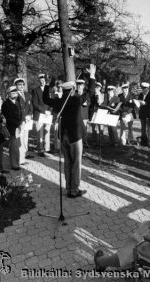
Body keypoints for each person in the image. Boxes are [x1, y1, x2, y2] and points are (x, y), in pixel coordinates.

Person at [42, 63, 96, 198]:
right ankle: (74, 190)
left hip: (63, 136)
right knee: (76, 163)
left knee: (67, 163)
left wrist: (48, 85)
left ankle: (68, 188)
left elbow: (45, 99)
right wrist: (92, 76)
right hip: (75, 137)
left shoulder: (60, 101)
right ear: (72, 90)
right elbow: (90, 91)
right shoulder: (76, 100)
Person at [1, 86, 26, 170]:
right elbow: (9, 117)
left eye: (16, 92)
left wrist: (22, 122)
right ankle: (14, 164)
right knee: (14, 147)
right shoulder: (6, 104)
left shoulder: (17, 102)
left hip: (19, 126)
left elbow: (21, 113)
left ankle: (17, 162)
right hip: (12, 128)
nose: (15, 94)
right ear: (8, 94)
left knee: (18, 145)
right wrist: (18, 125)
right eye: (13, 93)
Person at [31, 74, 52, 156]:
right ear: (39, 81)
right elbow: (35, 103)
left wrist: (49, 111)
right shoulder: (35, 90)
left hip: (48, 114)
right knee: (40, 132)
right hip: (39, 114)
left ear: (46, 81)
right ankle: (40, 149)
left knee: (47, 131)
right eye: (41, 80)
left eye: (43, 80)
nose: (42, 82)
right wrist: (44, 111)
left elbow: (51, 102)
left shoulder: (49, 90)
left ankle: (47, 148)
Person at [14, 78, 33, 163]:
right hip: (21, 119)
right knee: (20, 138)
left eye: (23, 84)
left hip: (27, 119)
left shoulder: (27, 94)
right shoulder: (14, 95)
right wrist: (24, 117)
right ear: (16, 86)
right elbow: (17, 108)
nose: (21, 86)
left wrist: (30, 114)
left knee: (26, 137)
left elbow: (30, 105)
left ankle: (24, 154)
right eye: (19, 84)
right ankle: (20, 158)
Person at [77, 79, 92, 148]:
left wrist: (86, 103)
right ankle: (78, 144)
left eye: (81, 85)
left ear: (83, 86)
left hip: (84, 116)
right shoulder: (74, 93)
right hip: (76, 115)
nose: (79, 87)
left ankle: (84, 143)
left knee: (84, 130)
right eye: (78, 85)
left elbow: (89, 102)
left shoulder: (86, 94)